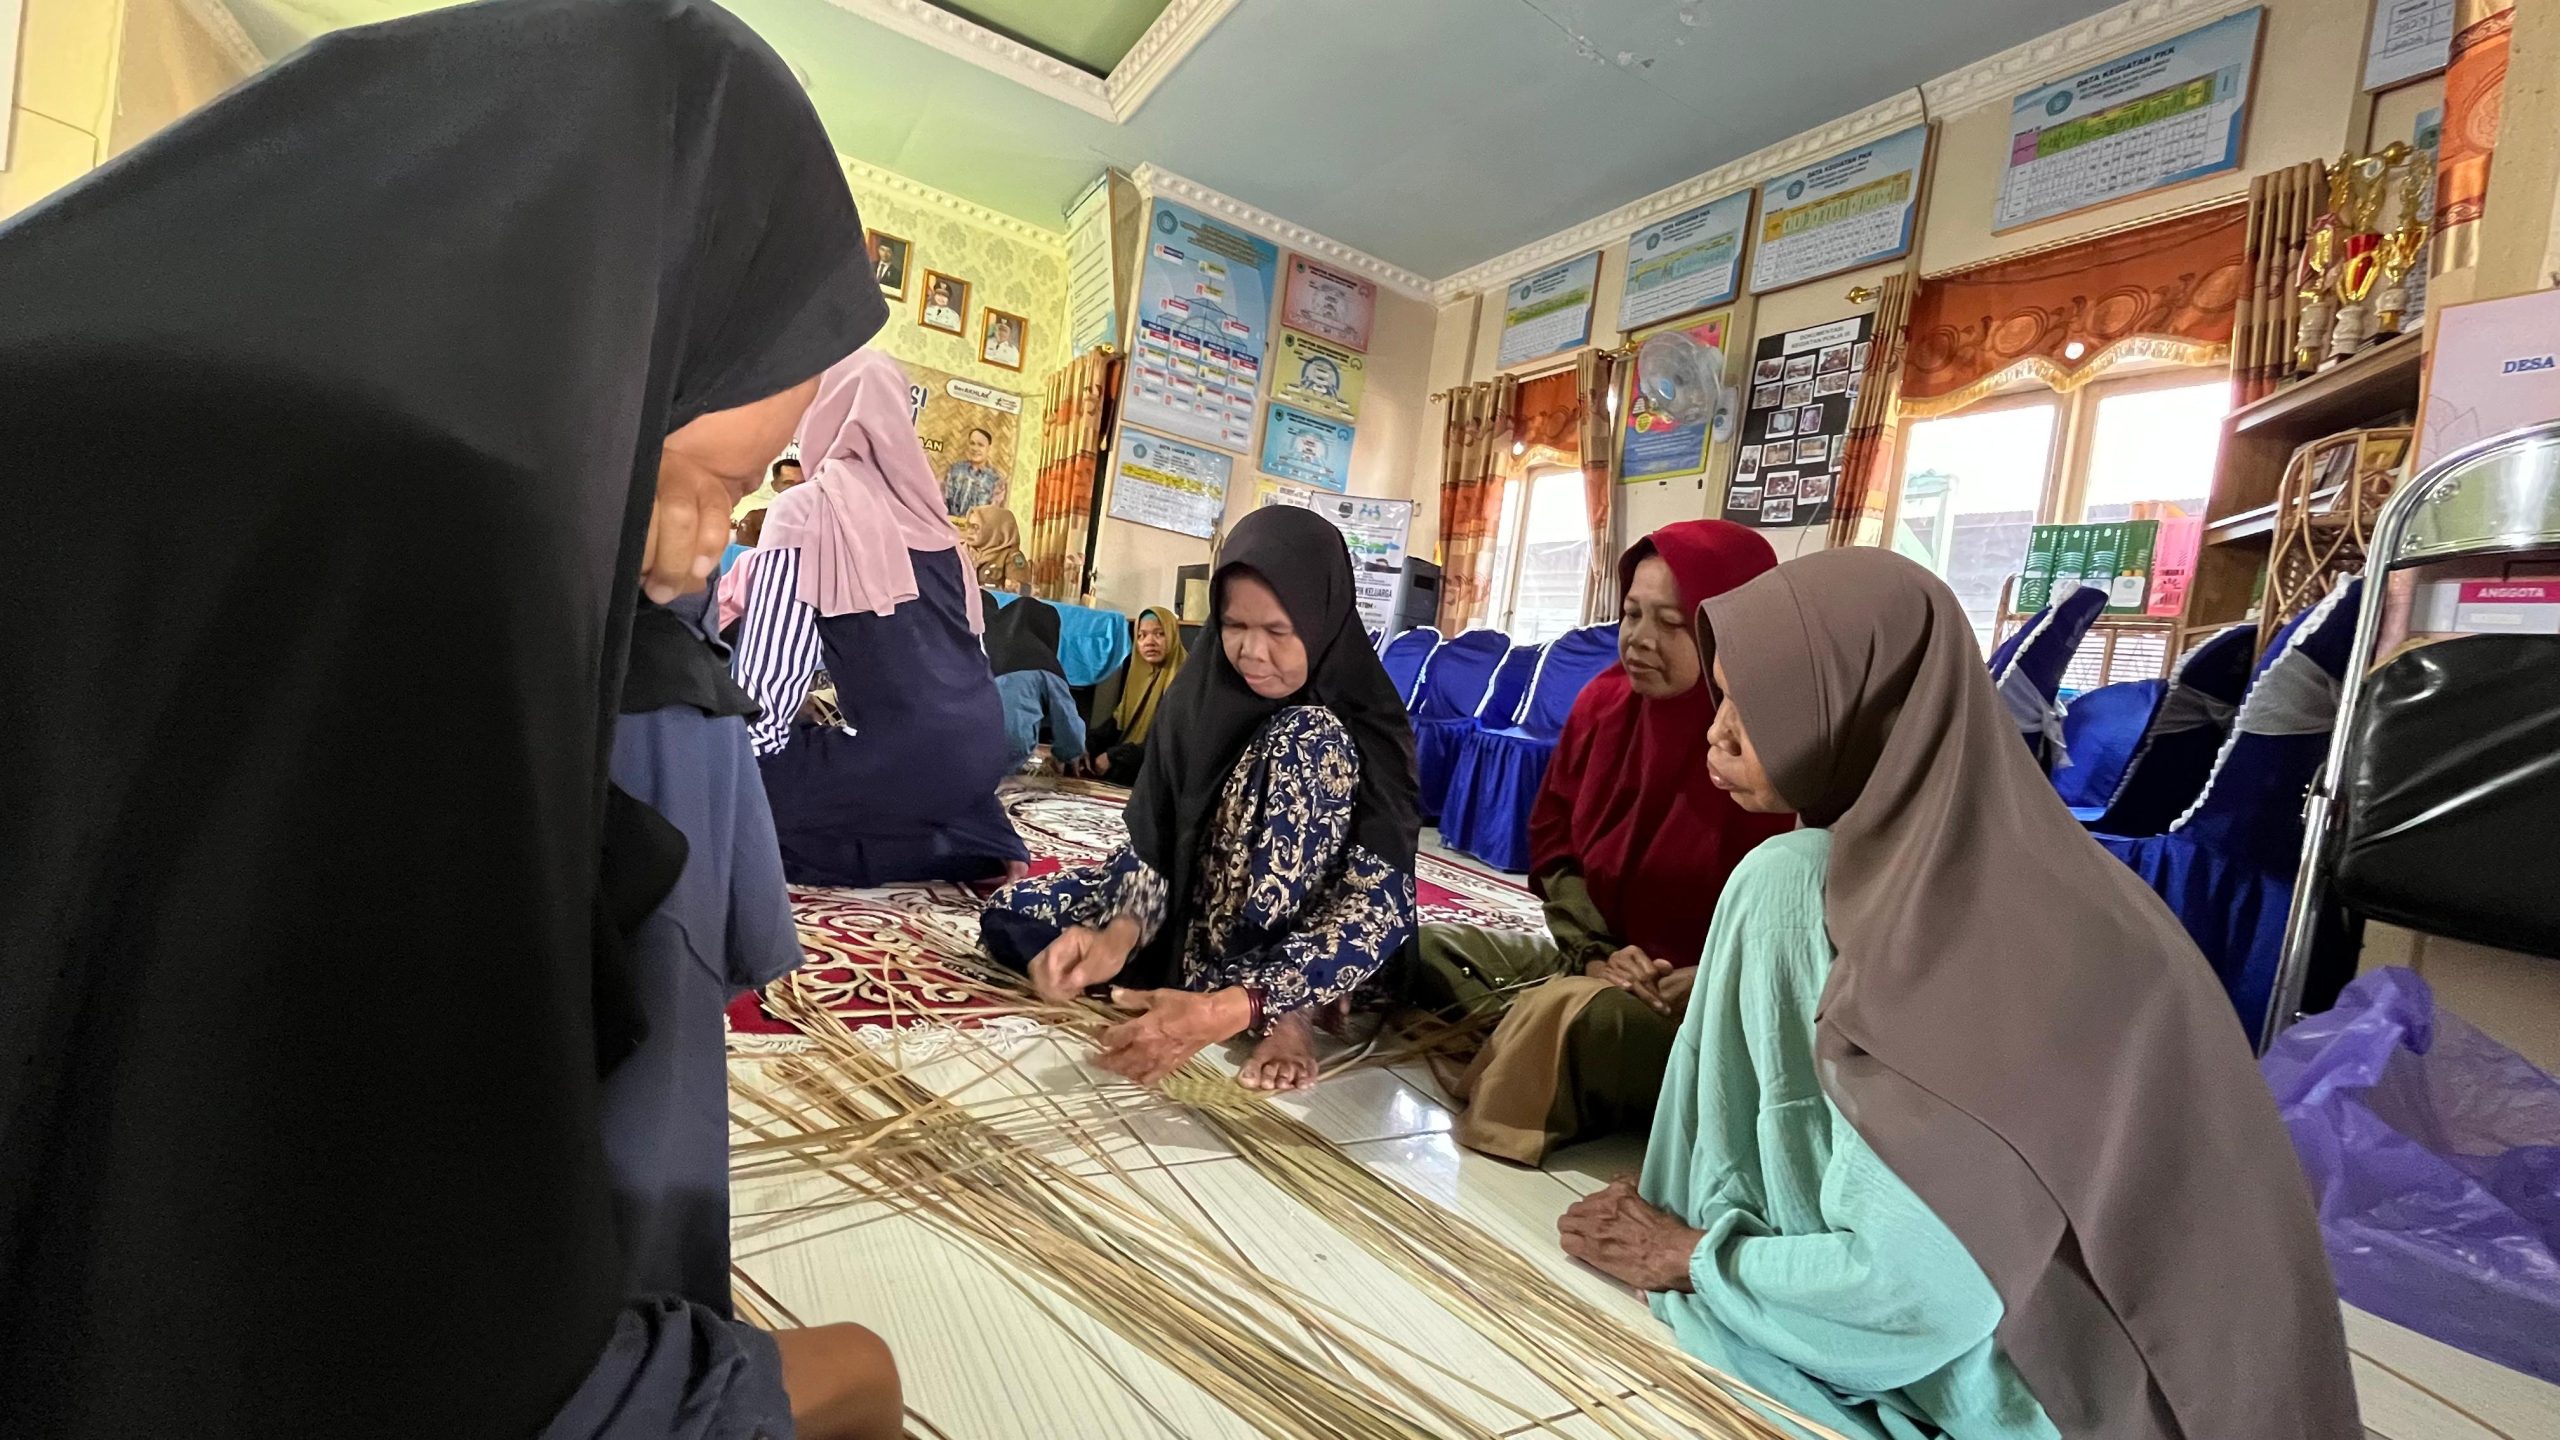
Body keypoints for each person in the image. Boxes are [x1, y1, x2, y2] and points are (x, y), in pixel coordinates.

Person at [0, 2, 902, 1437]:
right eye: (707, 484)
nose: (697, 556)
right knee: (859, 1378)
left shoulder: (78, 341)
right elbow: (413, 1304)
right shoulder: (435, 532)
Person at [1558, 549, 2358, 1440]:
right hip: (2217, 1384)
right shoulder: (2016, 873)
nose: (1720, 733)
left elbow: (1930, 1286)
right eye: (1722, 697)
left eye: (1759, 703)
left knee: (1780, 880)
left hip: (2090, 1394)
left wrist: (1696, 1256)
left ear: (1864, 708)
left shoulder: (1919, 916)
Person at [979, 507, 1419, 1092]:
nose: (1250, 651)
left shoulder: (1365, 720)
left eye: (1278, 631)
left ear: (1322, 620)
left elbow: (1381, 904)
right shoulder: (1199, 694)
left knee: (1305, 735)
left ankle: (1288, 1011)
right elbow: (1155, 839)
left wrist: (1245, 1003)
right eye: (1234, 625)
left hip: (1302, 942)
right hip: (1196, 911)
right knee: (1014, 913)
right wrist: (1121, 933)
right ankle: (1185, 978)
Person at [1416, 521, 1793, 1164]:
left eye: (1672, 623)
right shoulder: (1604, 704)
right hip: (1602, 961)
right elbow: (1555, 841)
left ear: (1732, 632)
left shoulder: (1771, 743)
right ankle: (1552, 1034)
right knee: (1419, 944)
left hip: (1706, 1004)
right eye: (1631, 614)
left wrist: (1712, 978)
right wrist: (1594, 952)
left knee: (1579, 1019)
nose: (1640, 640)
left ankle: (1553, 1045)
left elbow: (1806, 923)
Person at [733, 348, 1029, 887]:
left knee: (734, 803)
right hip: (983, 755)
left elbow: (767, 686)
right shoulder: (943, 530)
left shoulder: (805, 509)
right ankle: (969, 834)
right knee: (896, 759)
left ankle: (916, 845)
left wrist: (737, 780)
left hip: (901, 759)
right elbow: (972, 661)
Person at [1079, 606, 1185, 784]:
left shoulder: (1185, 681)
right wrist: (1084, 745)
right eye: (1141, 635)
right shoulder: (1140, 676)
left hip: (1161, 773)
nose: (1149, 642)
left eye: (1159, 634)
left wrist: (1113, 756)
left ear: (1173, 636)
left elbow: (1168, 744)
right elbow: (1116, 724)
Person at [985, 593, 1086, 774]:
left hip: (967, 744)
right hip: (1011, 750)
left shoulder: (986, 648)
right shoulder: (1046, 665)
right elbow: (1069, 725)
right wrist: (1067, 754)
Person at [966, 501, 1035, 593]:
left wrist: (1014, 588)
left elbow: (1022, 596)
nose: (969, 531)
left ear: (994, 530)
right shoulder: (960, 551)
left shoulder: (1010, 557)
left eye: (975, 527)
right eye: (968, 525)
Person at [941, 424, 1004, 515]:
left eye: (980, 445)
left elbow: (994, 513)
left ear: (988, 449)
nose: (975, 448)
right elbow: (942, 499)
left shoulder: (996, 480)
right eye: (972, 443)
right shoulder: (955, 470)